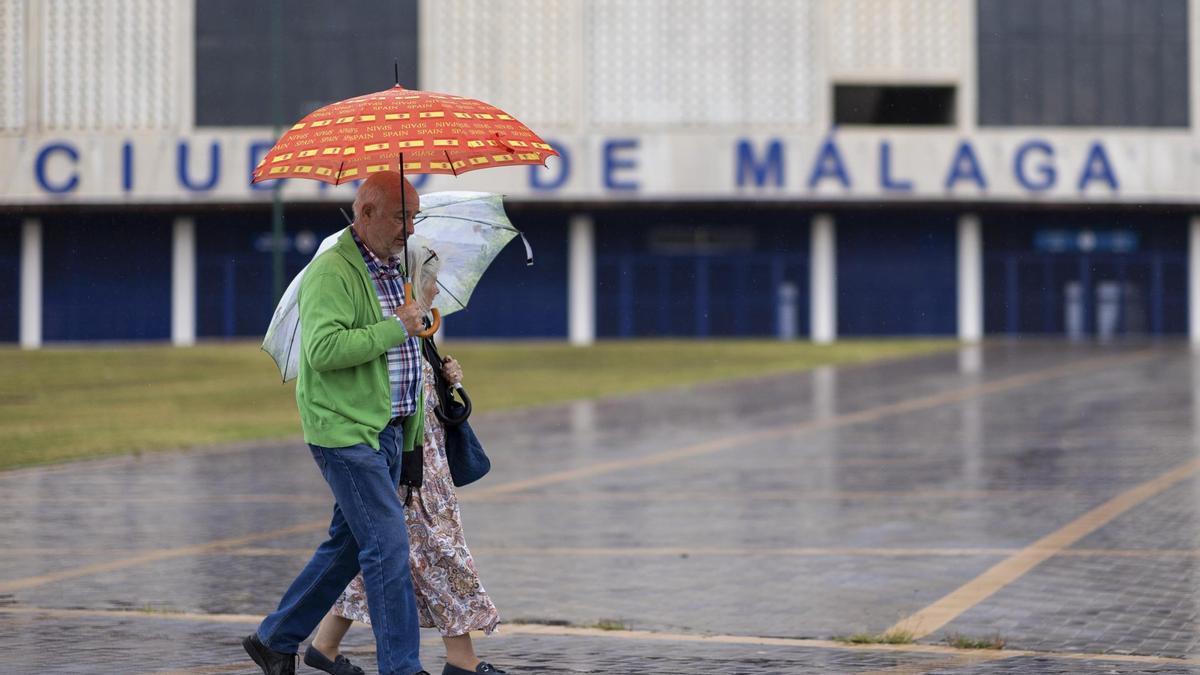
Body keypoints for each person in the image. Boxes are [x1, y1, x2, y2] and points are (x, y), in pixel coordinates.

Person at [242, 171, 431, 675]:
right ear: (365, 213)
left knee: (347, 547)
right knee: (388, 547)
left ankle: (274, 638)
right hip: (345, 432)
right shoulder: (331, 272)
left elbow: (405, 360)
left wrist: (411, 444)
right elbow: (323, 350)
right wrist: (397, 326)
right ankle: (402, 668)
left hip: (388, 431)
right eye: (399, 217)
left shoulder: (398, 267)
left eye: (414, 217)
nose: (408, 228)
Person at [306, 244, 504, 675]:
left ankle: (324, 644)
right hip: (408, 459)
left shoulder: (422, 325)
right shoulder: (393, 319)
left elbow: (419, 380)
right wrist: (402, 329)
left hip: (423, 454)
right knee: (438, 551)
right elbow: (379, 376)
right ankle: (461, 662)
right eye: (431, 277)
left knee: (384, 556)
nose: (437, 287)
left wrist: (443, 371)